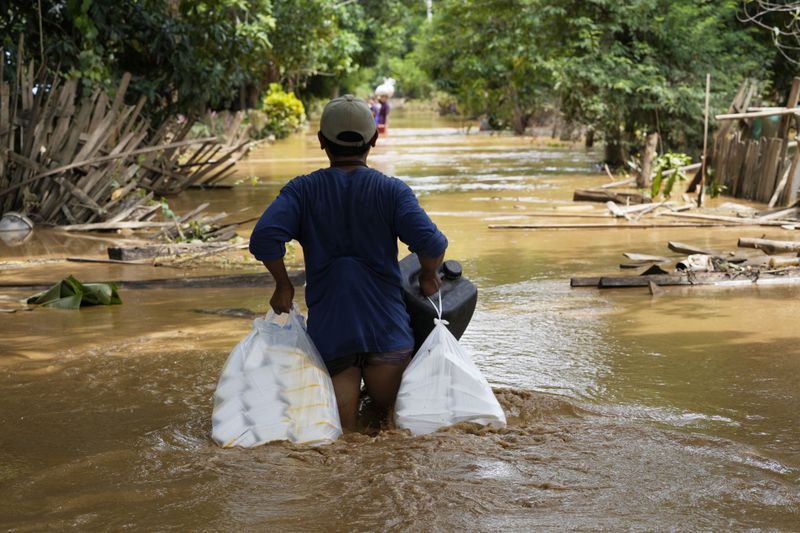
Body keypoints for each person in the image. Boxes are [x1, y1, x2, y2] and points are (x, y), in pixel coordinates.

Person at [249, 94, 448, 431]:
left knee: (342, 436)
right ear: (373, 139)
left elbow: (264, 238)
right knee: (393, 431)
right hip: (387, 333)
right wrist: (428, 276)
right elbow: (432, 244)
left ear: (322, 142)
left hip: (332, 335)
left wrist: (283, 285)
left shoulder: (302, 192)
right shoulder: (391, 191)